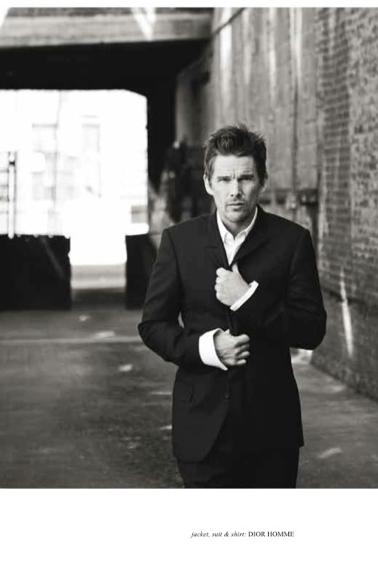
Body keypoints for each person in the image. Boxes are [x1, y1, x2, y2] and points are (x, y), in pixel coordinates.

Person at [138, 124, 326, 488]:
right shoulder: (179, 242)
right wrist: (208, 349)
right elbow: (153, 325)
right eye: (224, 179)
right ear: (209, 183)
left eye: (245, 178)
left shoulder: (291, 242)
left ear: (262, 181)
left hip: (272, 429)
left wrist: (246, 299)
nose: (235, 191)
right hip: (200, 426)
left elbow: (311, 329)